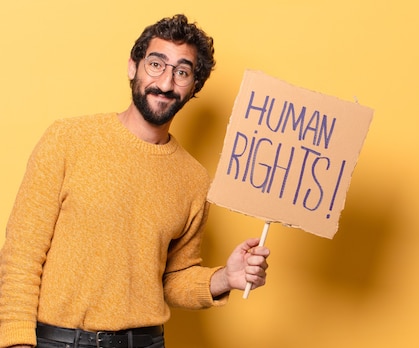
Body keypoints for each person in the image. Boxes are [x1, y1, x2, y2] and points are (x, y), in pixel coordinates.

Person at [0, 14, 270, 348]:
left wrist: (225, 278)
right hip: (58, 340)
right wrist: (16, 341)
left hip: (144, 342)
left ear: (194, 87)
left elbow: (173, 279)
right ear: (133, 67)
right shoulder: (68, 139)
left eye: (182, 72)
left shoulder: (195, 181)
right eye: (156, 64)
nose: (167, 83)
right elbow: (22, 253)